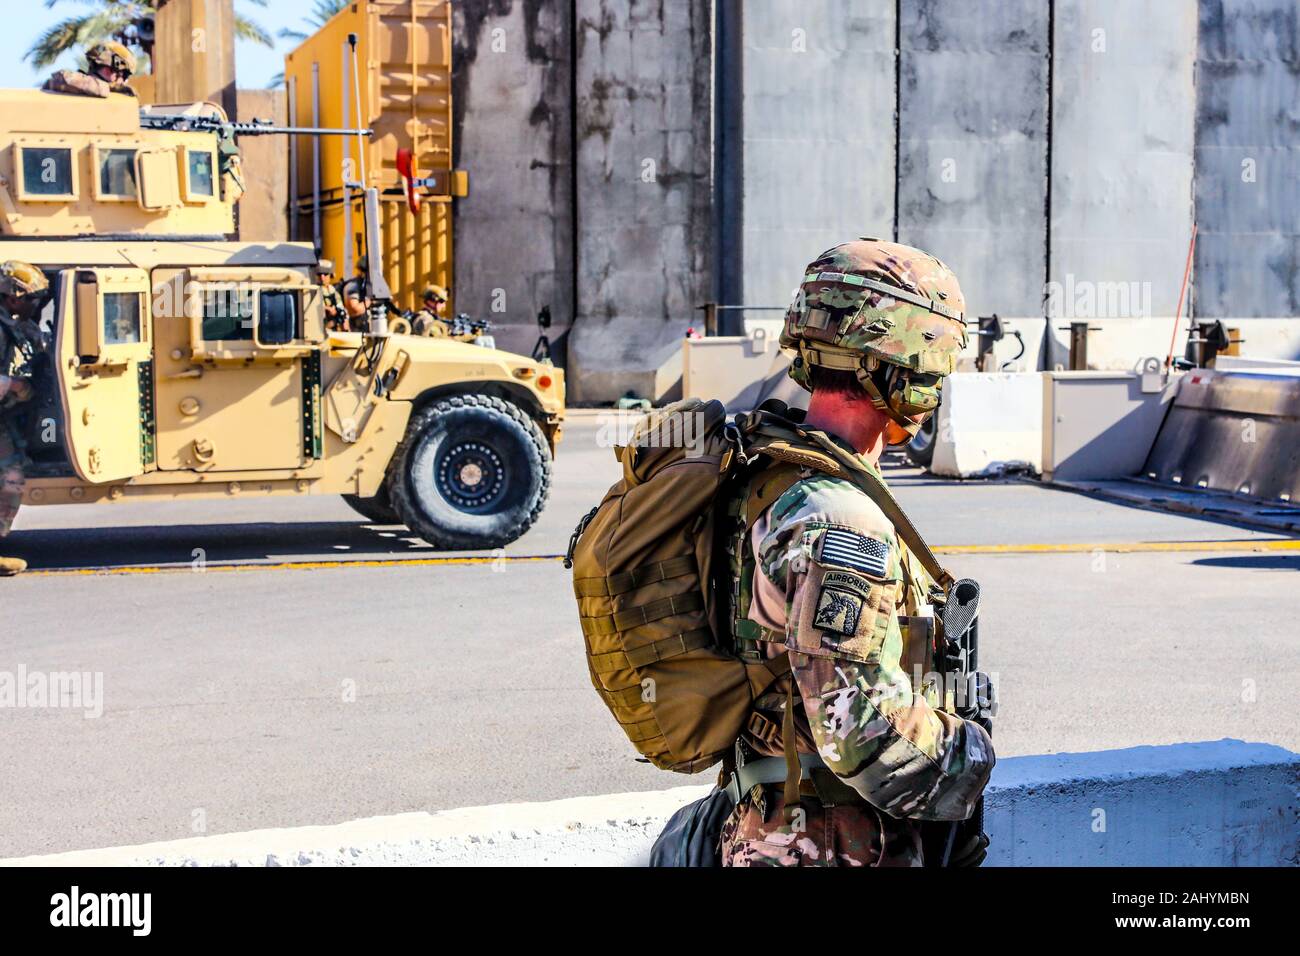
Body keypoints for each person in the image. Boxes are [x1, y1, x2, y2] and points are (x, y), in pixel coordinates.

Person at [719, 238, 995, 866]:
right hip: (825, 842)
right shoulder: (839, 517)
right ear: (902, 371)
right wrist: (972, 751)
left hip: (769, 821)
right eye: (933, 372)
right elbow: (861, 732)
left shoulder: (767, 474)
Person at [0, 261, 51, 577]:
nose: (39, 306)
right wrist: (20, 387)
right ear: (14, 297)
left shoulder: (18, 326)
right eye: (35, 299)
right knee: (10, 480)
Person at [44, 41, 137, 99]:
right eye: (122, 74)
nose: (122, 81)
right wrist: (109, 88)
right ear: (109, 69)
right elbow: (62, 79)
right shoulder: (69, 82)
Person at [316, 260, 346, 331]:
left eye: (325, 274)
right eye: (319, 274)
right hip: (320, 328)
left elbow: (340, 308)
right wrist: (326, 308)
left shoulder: (334, 291)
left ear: (331, 275)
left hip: (334, 328)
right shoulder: (314, 291)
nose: (322, 277)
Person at [341, 260, 371, 332]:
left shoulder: (365, 284)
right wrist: (371, 301)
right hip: (358, 329)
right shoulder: (354, 285)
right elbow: (355, 308)